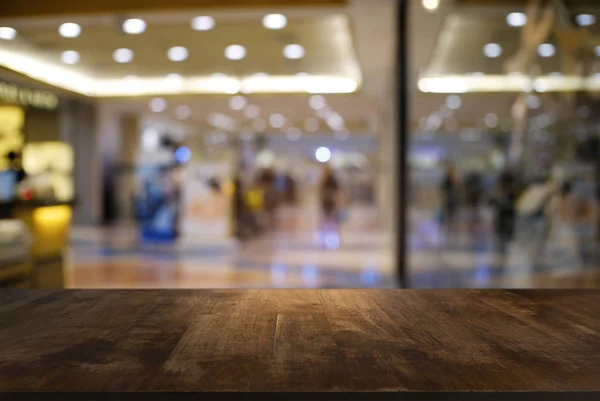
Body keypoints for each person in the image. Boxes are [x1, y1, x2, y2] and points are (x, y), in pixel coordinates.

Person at [489, 171, 517, 259]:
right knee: (501, 241)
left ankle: (504, 256)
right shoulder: (499, 193)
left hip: (508, 221)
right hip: (502, 221)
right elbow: (491, 203)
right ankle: (501, 256)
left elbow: (513, 207)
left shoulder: (512, 194)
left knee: (506, 241)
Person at [319, 165, 343, 248]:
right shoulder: (323, 180)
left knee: (332, 218)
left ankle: (332, 233)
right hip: (325, 202)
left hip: (331, 202)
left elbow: (336, 191)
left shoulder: (332, 180)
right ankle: (325, 234)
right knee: (326, 218)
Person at [439, 161, 461, 237]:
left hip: (454, 200)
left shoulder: (456, 179)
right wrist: (445, 197)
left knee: (454, 214)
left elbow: (459, 189)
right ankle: (448, 229)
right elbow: (443, 189)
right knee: (449, 215)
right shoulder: (447, 179)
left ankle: (453, 229)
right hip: (449, 200)